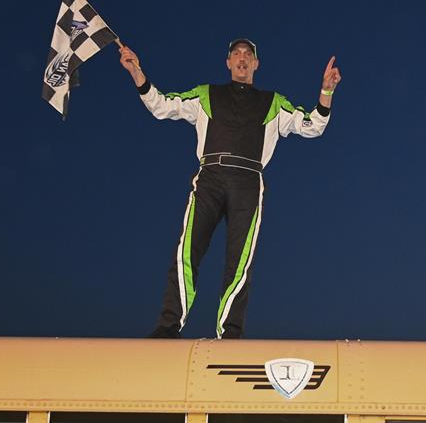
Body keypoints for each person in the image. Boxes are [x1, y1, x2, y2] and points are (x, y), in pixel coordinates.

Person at [118, 38, 341, 338]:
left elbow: (312, 126)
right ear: (228, 62)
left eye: (248, 55)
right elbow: (161, 106)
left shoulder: (273, 102)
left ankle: (230, 333)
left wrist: (326, 91)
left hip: (248, 182)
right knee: (187, 251)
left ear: (256, 64)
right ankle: (169, 326)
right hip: (210, 176)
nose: (242, 58)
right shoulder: (206, 94)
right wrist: (137, 72)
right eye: (236, 54)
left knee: (239, 263)